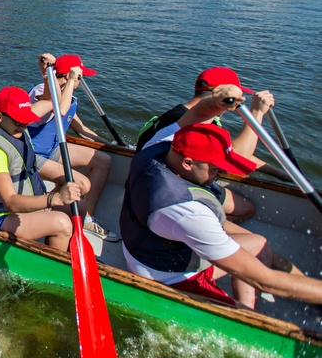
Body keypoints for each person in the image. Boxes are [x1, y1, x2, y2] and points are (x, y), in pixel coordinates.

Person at [120, 124, 322, 309]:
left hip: (157, 250)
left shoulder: (155, 147)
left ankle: (247, 307)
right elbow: (264, 280)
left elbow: (199, 108)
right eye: (216, 167)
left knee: (259, 244)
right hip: (169, 277)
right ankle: (246, 316)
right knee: (248, 325)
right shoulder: (187, 211)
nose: (221, 173)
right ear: (188, 163)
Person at [136, 67, 288, 220]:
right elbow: (237, 156)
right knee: (247, 209)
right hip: (171, 188)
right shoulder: (194, 128)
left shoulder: (180, 114)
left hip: (152, 179)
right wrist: (256, 113)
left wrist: (283, 174)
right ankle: (206, 229)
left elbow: (229, 151)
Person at [0, 87, 83, 249]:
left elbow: (54, 103)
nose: (23, 125)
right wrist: (55, 199)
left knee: (79, 206)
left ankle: (66, 252)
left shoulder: (14, 123)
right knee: (62, 223)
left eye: (26, 119)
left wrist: (49, 77)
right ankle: (49, 267)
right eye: (18, 121)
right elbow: (10, 202)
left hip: (16, 207)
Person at [27, 54, 117, 241]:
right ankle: (39, 208)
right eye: (79, 78)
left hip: (52, 149)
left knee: (103, 160)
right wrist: (69, 81)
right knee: (82, 184)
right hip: (32, 154)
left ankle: (87, 217)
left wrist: (115, 145)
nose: (80, 82)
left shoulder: (69, 97)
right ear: (69, 77)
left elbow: (82, 130)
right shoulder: (44, 91)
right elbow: (58, 108)